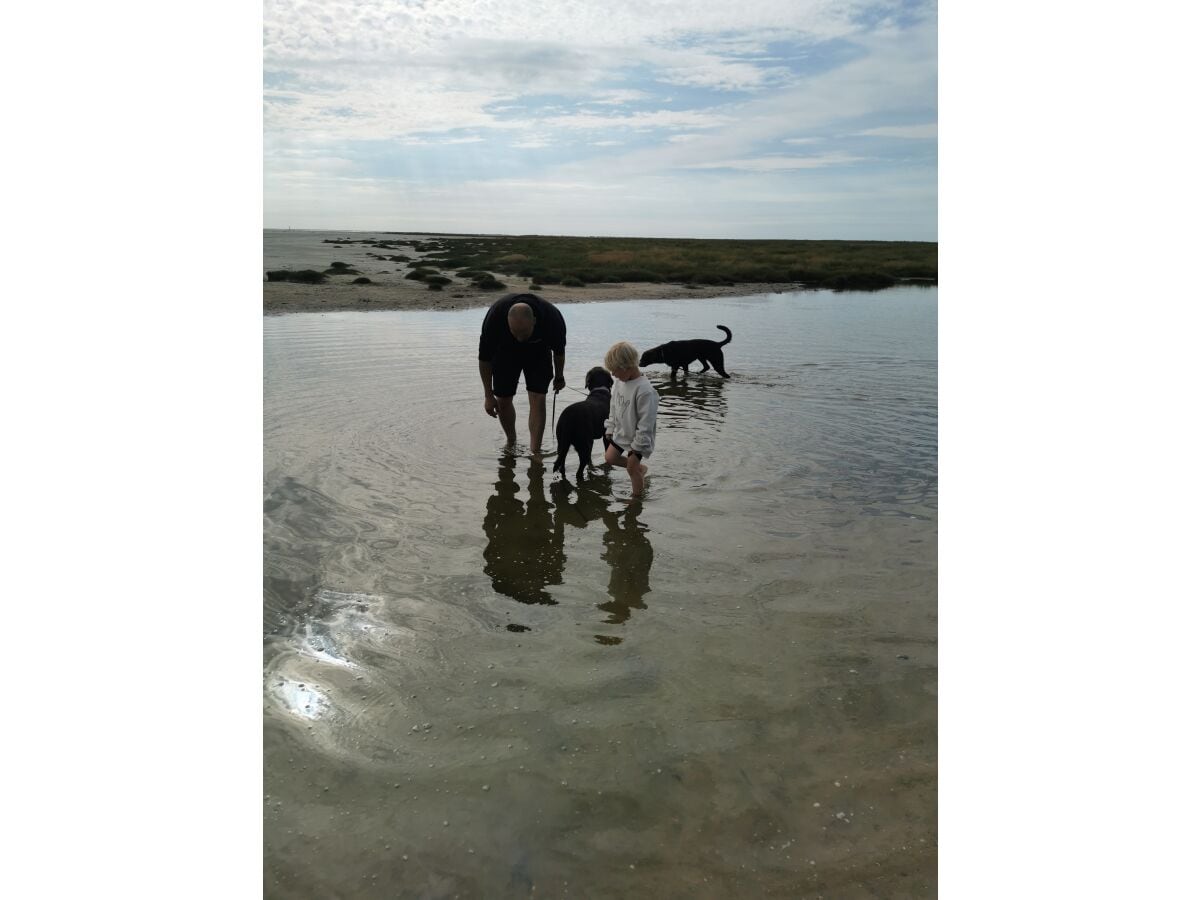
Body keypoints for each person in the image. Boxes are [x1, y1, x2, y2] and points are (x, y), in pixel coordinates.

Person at [477, 293, 566, 453]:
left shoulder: (552, 319)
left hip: (538, 352)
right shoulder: (494, 318)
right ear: (507, 323)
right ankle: (511, 441)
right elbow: (484, 359)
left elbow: (559, 352)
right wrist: (488, 395)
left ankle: (535, 451)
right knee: (502, 399)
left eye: (524, 333)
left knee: (538, 399)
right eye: (515, 333)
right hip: (505, 352)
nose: (519, 339)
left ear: (534, 321)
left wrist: (559, 376)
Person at [603, 341, 659, 497]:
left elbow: (646, 423)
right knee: (610, 457)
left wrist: (637, 447)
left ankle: (636, 500)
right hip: (622, 432)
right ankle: (642, 469)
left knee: (631, 469)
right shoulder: (620, 382)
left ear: (626, 367)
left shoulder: (645, 390)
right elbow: (614, 406)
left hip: (639, 438)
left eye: (614, 371)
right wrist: (610, 427)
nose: (612, 375)